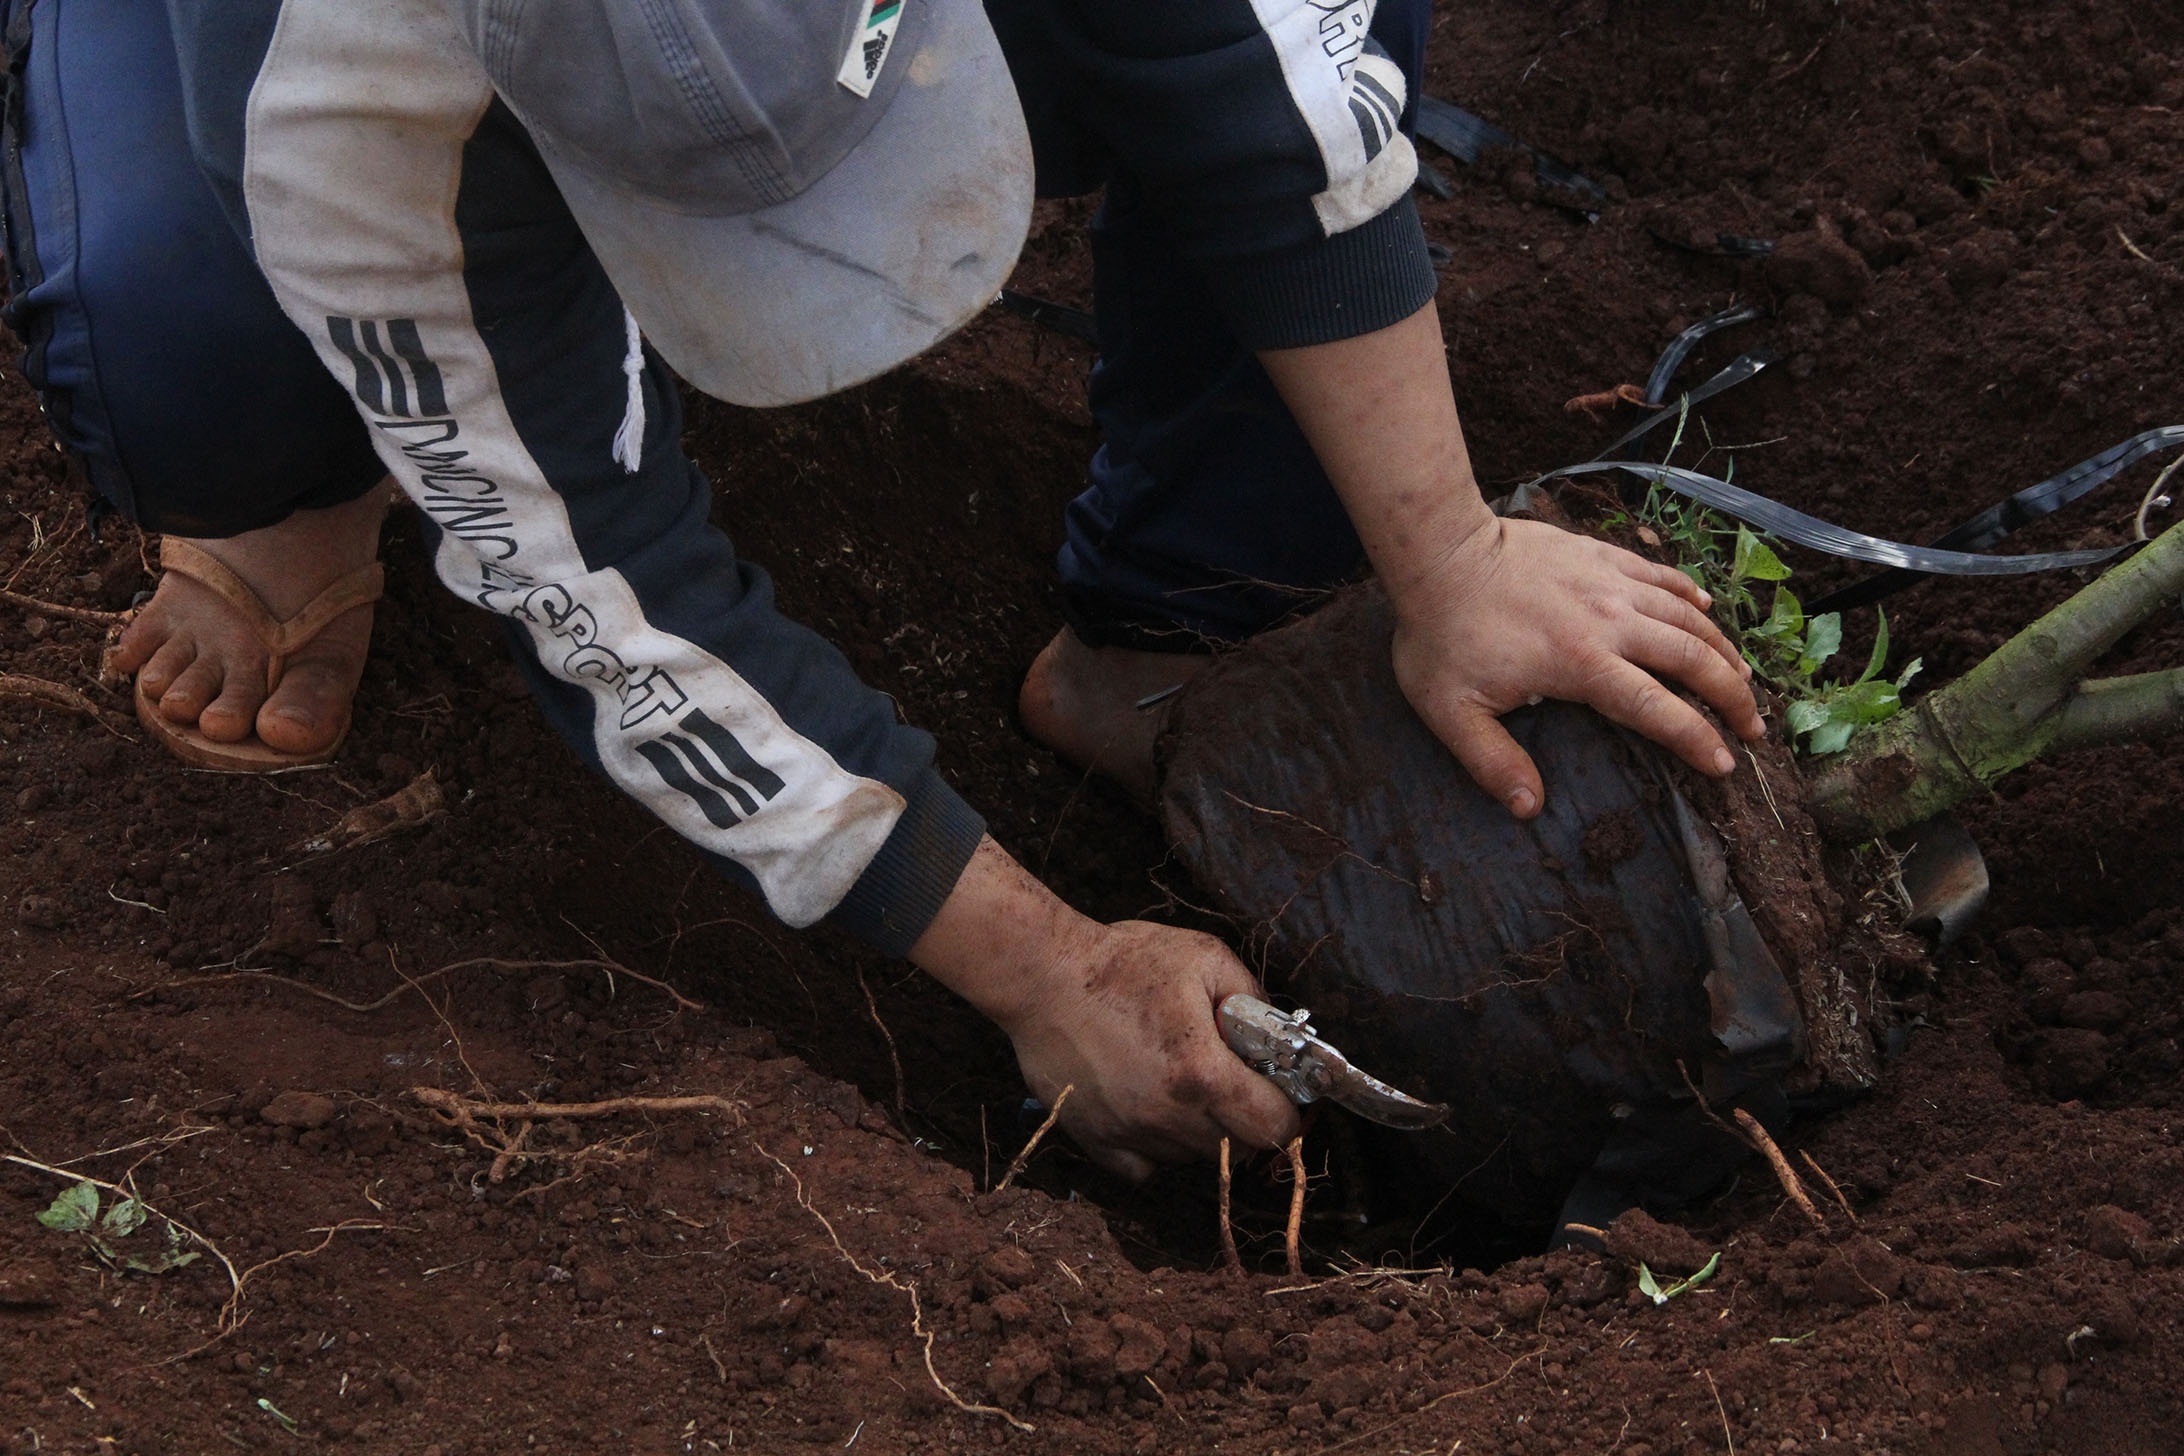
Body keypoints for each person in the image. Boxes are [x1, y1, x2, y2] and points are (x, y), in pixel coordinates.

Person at [1, 0, 1763, 1182]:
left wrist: (1448, 548)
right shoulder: (339, 112)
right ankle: (291, 497)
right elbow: (597, 590)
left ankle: (1173, 625)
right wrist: (1037, 966)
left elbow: (1269, 72)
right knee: (181, 331)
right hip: (322, 70)